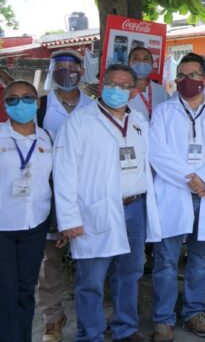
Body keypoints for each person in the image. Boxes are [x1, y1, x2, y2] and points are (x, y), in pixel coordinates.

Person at [54, 63, 161, 341]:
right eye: (112, 83)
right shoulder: (79, 121)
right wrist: (69, 219)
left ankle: (125, 329)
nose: (118, 90)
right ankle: (90, 335)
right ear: (101, 84)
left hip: (135, 208)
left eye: (125, 86)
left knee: (130, 273)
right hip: (95, 210)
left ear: (135, 91)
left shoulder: (138, 119)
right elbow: (64, 172)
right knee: (91, 280)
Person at [149, 53, 205, 340]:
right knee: (166, 260)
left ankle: (194, 313)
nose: (189, 81)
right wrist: (191, 181)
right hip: (175, 193)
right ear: (176, 81)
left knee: (201, 259)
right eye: (183, 76)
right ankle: (163, 319)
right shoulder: (163, 112)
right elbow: (156, 152)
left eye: (194, 75)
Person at [36, 49, 94, 342]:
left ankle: (89, 317)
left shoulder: (94, 106)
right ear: (52, 72)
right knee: (51, 261)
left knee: (89, 259)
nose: (67, 72)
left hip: (88, 192)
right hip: (50, 194)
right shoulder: (40, 107)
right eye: (60, 67)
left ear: (82, 71)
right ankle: (52, 317)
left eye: (72, 67)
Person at [0, 81, 54, 342]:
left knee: (25, 290)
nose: (20, 104)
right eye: (12, 99)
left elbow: (53, 180)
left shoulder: (46, 137)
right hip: (3, 227)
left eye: (27, 98)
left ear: (38, 102)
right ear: (5, 105)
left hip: (35, 225)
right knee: (5, 293)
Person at [127, 46, 169, 120]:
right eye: (136, 58)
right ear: (128, 63)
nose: (141, 62)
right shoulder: (121, 91)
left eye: (145, 59)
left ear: (152, 64)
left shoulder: (161, 91)